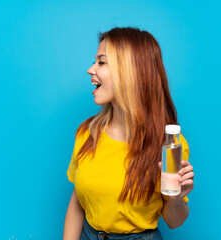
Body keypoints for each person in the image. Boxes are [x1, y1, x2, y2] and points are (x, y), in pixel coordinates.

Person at [63, 27, 194, 240]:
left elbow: (174, 221)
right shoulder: (87, 133)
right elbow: (78, 202)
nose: (90, 69)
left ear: (130, 72)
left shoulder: (169, 144)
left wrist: (176, 199)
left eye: (101, 62)